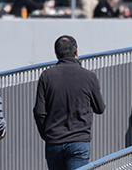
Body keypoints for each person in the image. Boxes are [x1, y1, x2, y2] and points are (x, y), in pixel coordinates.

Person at [34, 36, 105, 170]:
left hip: (54, 140)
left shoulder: (46, 76)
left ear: (56, 54)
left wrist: (47, 134)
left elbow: (39, 112)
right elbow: (100, 108)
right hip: (79, 140)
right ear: (76, 52)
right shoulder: (89, 76)